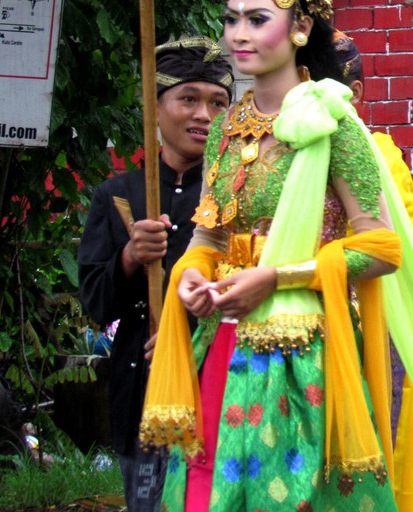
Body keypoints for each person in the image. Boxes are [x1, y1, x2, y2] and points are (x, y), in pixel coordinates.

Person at [140, 0, 402, 511]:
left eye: (259, 19)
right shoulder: (228, 127)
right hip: (223, 348)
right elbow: (206, 235)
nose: (238, 35)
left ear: (301, 27)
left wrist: (280, 278)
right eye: (232, 19)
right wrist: (193, 278)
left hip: (303, 357)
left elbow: (385, 248)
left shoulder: (333, 121)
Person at [78, 37, 233, 512]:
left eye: (218, 103)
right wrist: (128, 259)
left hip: (223, 388)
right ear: (156, 108)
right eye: (189, 99)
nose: (204, 115)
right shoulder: (119, 195)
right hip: (143, 392)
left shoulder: (238, 194)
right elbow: (95, 305)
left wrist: (186, 333)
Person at [334, 29, 413, 512]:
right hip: (314, 317)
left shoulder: (378, 154)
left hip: (375, 318)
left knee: (376, 446)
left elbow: (404, 248)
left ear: (357, 95)